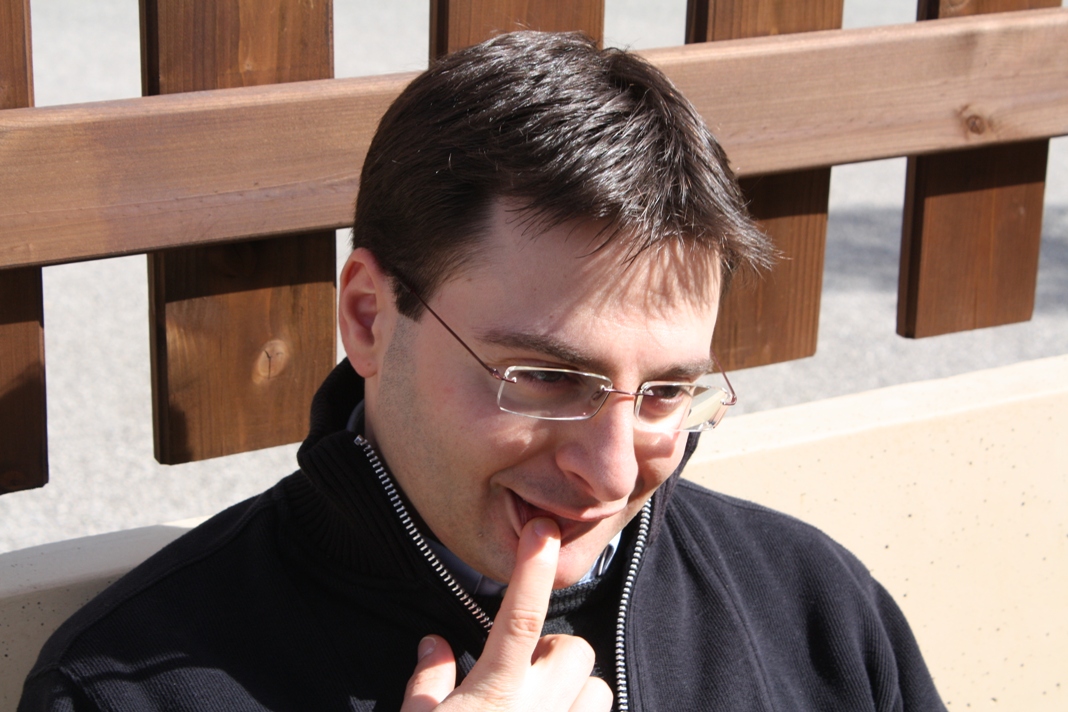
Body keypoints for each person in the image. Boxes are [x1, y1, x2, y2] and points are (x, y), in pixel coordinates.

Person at [20, 31, 946, 711]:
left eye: (666, 392)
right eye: (545, 377)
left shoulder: (813, 608)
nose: (611, 473)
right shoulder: (125, 688)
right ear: (369, 318)